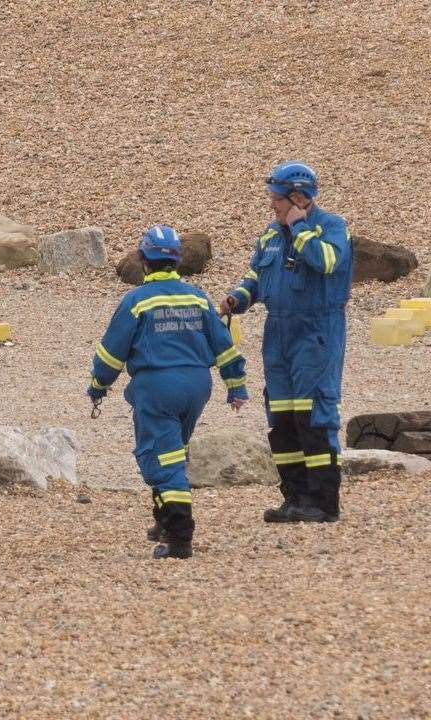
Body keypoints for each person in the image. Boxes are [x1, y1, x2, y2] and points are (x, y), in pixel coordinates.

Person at [88, 225, 248, 559]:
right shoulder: (197, 297)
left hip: (158, 386)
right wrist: (236, 386)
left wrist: (98, 386)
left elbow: (112, 352)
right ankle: (162, 518)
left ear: (144, 260)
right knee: (175, 450)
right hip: (197, 385)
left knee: (162, 458)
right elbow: (224, 345)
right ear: (177, 261)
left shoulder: (135, 301)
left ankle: (179, 538)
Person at [220, 161, 352, 523]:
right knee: (282, 416)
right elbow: (256, 275)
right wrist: (238, 297)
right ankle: (294, 497)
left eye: (278, 199)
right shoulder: (270, 235)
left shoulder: (332, 228)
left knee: (314, 415)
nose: (272, 206)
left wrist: (300, 226)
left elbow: (326, 262)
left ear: (299, 197)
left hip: (316, 333)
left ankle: (323, 501)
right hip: (278, 335)